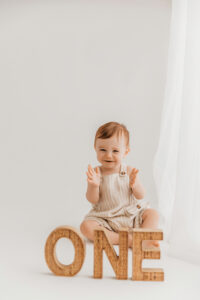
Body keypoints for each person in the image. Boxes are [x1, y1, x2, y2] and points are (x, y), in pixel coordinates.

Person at [80, 121, 159, 249]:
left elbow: (141, 195)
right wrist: (93, 185)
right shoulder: (96, 172)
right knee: (86, 227)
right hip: (105, 219)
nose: (108, 155)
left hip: (130, 216)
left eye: (115, 151)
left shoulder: (128, 171)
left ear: (125, 152)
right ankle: (126, 240)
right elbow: (92, 199)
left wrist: (135, 185)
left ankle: (144, 239)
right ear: (95, 148)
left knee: (153, 214)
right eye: (103, 149)